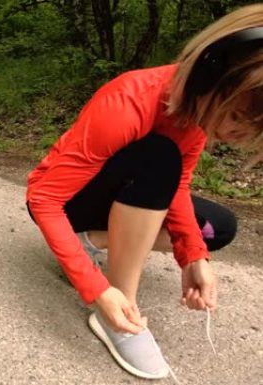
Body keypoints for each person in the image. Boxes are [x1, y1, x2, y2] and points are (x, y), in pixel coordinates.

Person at [25, 4, 263, 380]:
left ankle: (92, 242)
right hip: (69, 201)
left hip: (124, 194)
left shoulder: (198, 112)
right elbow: (43, 198)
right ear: (210, 73)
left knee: (216, 227)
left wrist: (193, 258)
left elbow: (178, 185)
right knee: (159, 155)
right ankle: (120, 314)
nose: (236, 136)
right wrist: (97, 290)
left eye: (250, 129)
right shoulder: (131, 101)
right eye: (235, 116)